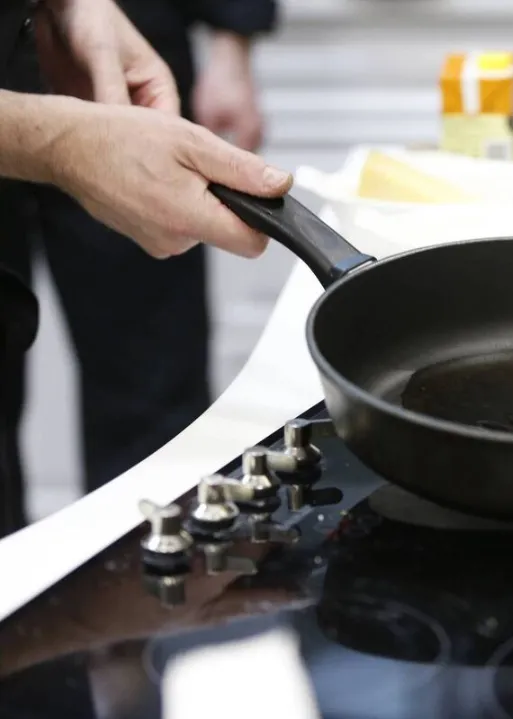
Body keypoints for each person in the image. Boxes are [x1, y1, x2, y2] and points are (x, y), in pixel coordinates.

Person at [0, 0, 293, 537]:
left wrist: (232, 42)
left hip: (124, 30)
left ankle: (159, 600)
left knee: (154, 401)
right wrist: (53, 140)